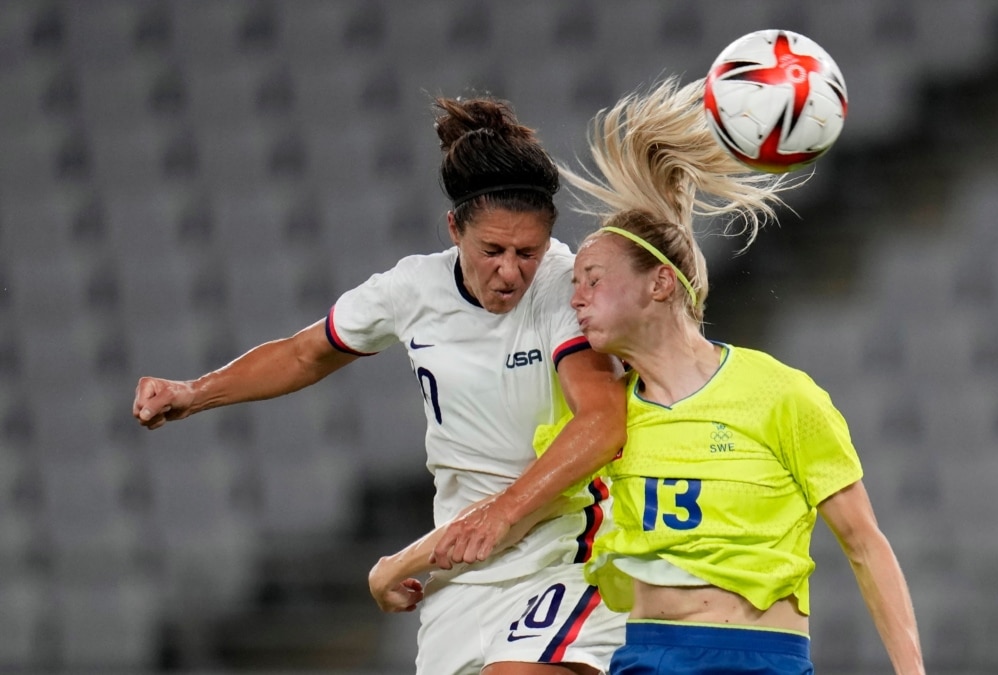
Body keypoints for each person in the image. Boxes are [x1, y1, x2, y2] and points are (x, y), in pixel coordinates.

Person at [132, 94, 628, 675]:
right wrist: (194, 392)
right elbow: (302, 353)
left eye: (528, 251)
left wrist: (499, 514)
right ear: (454, 229)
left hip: (564, 550)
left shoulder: (566, 289)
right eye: (492, 250)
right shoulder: (410, 290)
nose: (511, 270)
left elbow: (603, 420)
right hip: (459, 568)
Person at [557, 78, 926, 674]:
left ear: (659, 284)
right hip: (648, 657)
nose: (576, 299)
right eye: (573, 285)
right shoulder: (604, 421)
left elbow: (864, 543)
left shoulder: (779, 395)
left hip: (760, 658)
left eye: (592, 278)